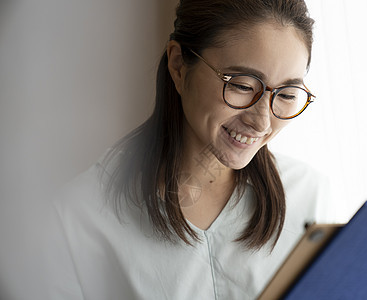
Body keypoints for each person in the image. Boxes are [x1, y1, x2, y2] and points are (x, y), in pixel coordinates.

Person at [49, 0, 329, 299]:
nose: (261, 121)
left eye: (286, 94)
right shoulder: (78, 217)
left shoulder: (306, 193)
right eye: (243, 86)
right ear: (179, 66)